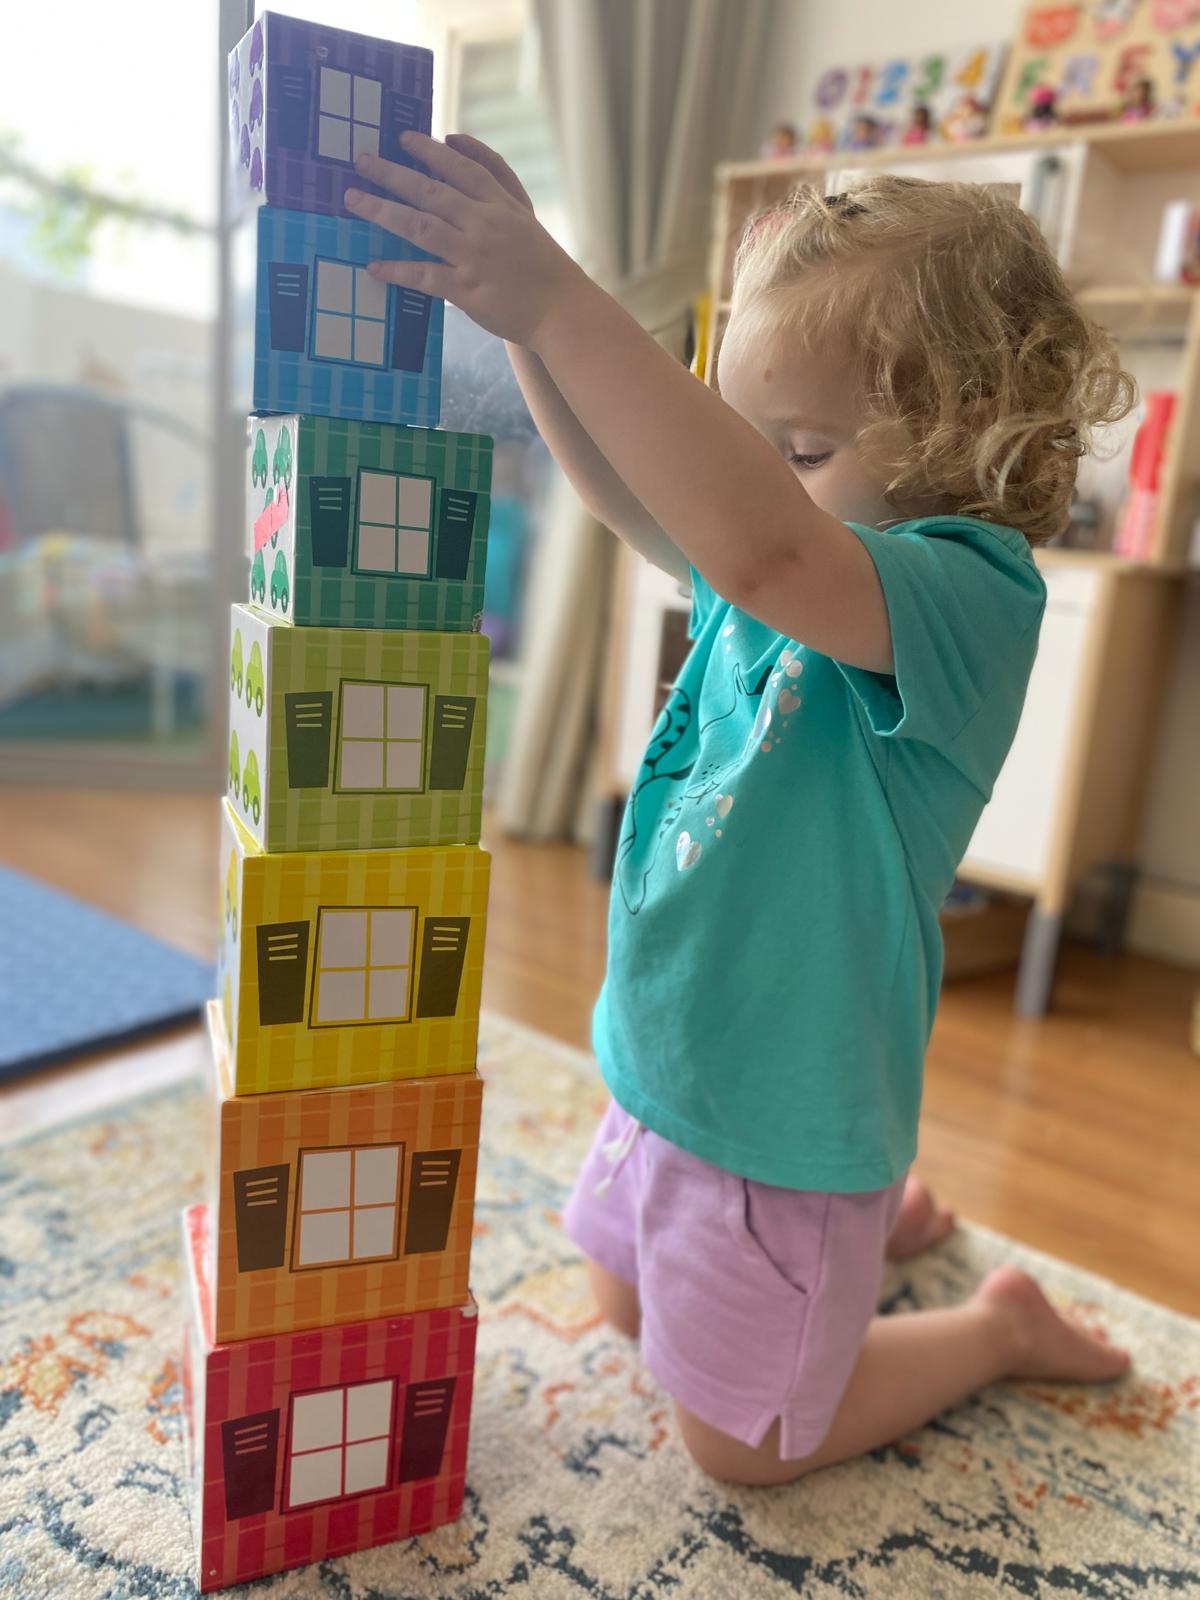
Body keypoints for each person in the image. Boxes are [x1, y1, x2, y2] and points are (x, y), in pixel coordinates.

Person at [346, 138, 1138, 1486]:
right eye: (747, 442)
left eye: (802, 448)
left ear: (964, 440)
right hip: (667, 1061)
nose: (755, 476)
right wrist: (524, 328)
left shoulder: (966, 595)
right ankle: (871, 1236)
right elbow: (624, 485)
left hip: (785, 1112)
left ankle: (988, 1327)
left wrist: (557, 301)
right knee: (619, 1307)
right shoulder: (768, 560)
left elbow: (764, 536)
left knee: (751, 1446)